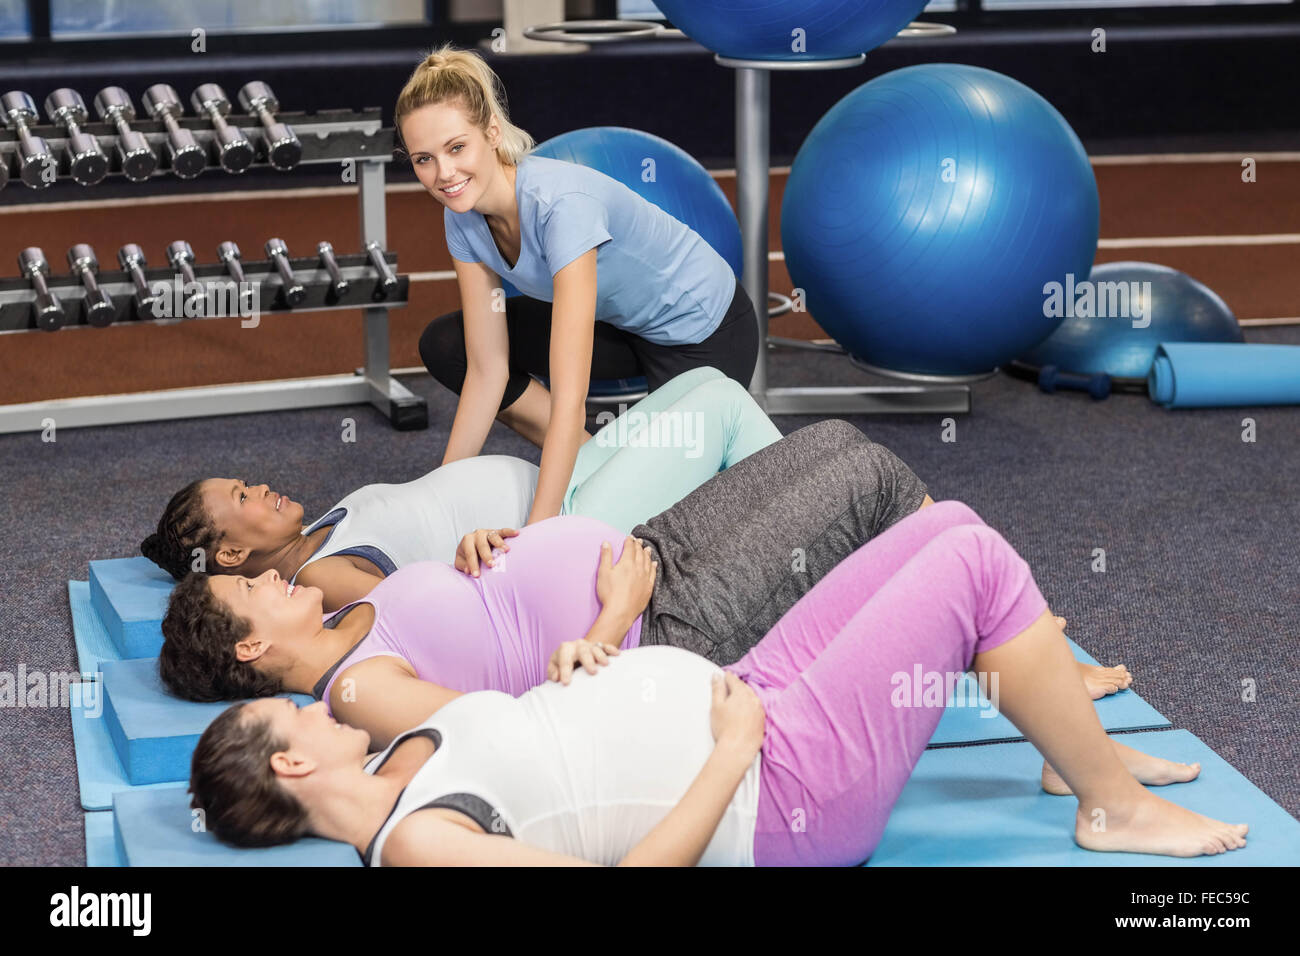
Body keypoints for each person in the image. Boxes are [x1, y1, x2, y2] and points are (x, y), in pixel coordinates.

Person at [188, 500, 1243, 864]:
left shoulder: (399, 758)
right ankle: (1111, 804)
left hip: (732, 690)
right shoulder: (414, 839)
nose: (311, 703)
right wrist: (734, 748)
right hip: (775, 786)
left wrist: (578, 663)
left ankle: (1070, 756)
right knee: (972, 569)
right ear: (291, 759)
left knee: (945, 523)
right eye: (289, 709)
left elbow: (549, 760)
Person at [159, 420, 1129, 750]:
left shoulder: (348, 617)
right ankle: (1033, 682)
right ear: (252, 644)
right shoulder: (359, 688)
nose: (282, 586)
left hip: (642, 551)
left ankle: (1022, 659)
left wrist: (483, 546)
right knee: (870, 482)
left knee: (837, 443)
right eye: (258, 597)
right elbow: (525, 726)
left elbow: (482, 617)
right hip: (666, 619)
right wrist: (618, 609)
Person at [399, 45, 761, 525]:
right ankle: (599, 459)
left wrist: (539, 528)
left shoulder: (560, 206)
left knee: (683, 518)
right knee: (449, 345)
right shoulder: (461, 219)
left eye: (456, 148)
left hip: (703, 332)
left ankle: (609, 472)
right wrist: (438, 503)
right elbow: (488, 369)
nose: (443, 174)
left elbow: (570, 394)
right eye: (424, 159)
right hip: (620, 328)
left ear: (490, 133)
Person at [141, 366, 780, 612]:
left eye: (247, 482)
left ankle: (794, 515)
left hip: (565, 481)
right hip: (562, 530)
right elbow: (429, 614)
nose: (260, 487)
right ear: (228, 555)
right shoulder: (323, 577)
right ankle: (822, 526)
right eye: (244, 497)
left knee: (704, 380)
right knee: (721, 406)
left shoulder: (314, 533)